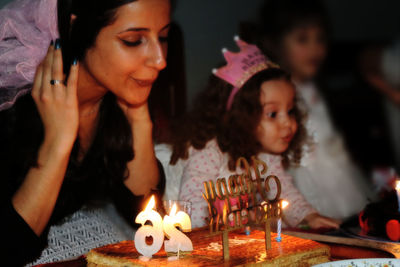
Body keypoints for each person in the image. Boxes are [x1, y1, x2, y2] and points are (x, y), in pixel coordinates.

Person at [0, 0, 170, 265]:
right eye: (134, 40)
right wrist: (57, 143)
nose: (160, 61)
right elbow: (10, 248)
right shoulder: (12, 111)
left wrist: (139, 118)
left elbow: (146, 219)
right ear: (77, 27)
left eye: (163, 37)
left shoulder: (115, 101)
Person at [169, 37, 340, 229]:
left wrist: (309, 217)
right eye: (272, 114)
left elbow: (284, 191)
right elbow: (193, 200)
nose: (288, 123)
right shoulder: (209, 151)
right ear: (241, 115)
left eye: (290, 111)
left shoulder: (266, 154)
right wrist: (207, 229)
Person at [247, 0, 374, 220]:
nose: (315, 49)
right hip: (299, 180)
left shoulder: (312, 89)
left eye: (321, 39)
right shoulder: (273, 93)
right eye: (303, 39)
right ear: (275, 43)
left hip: (337, 175)